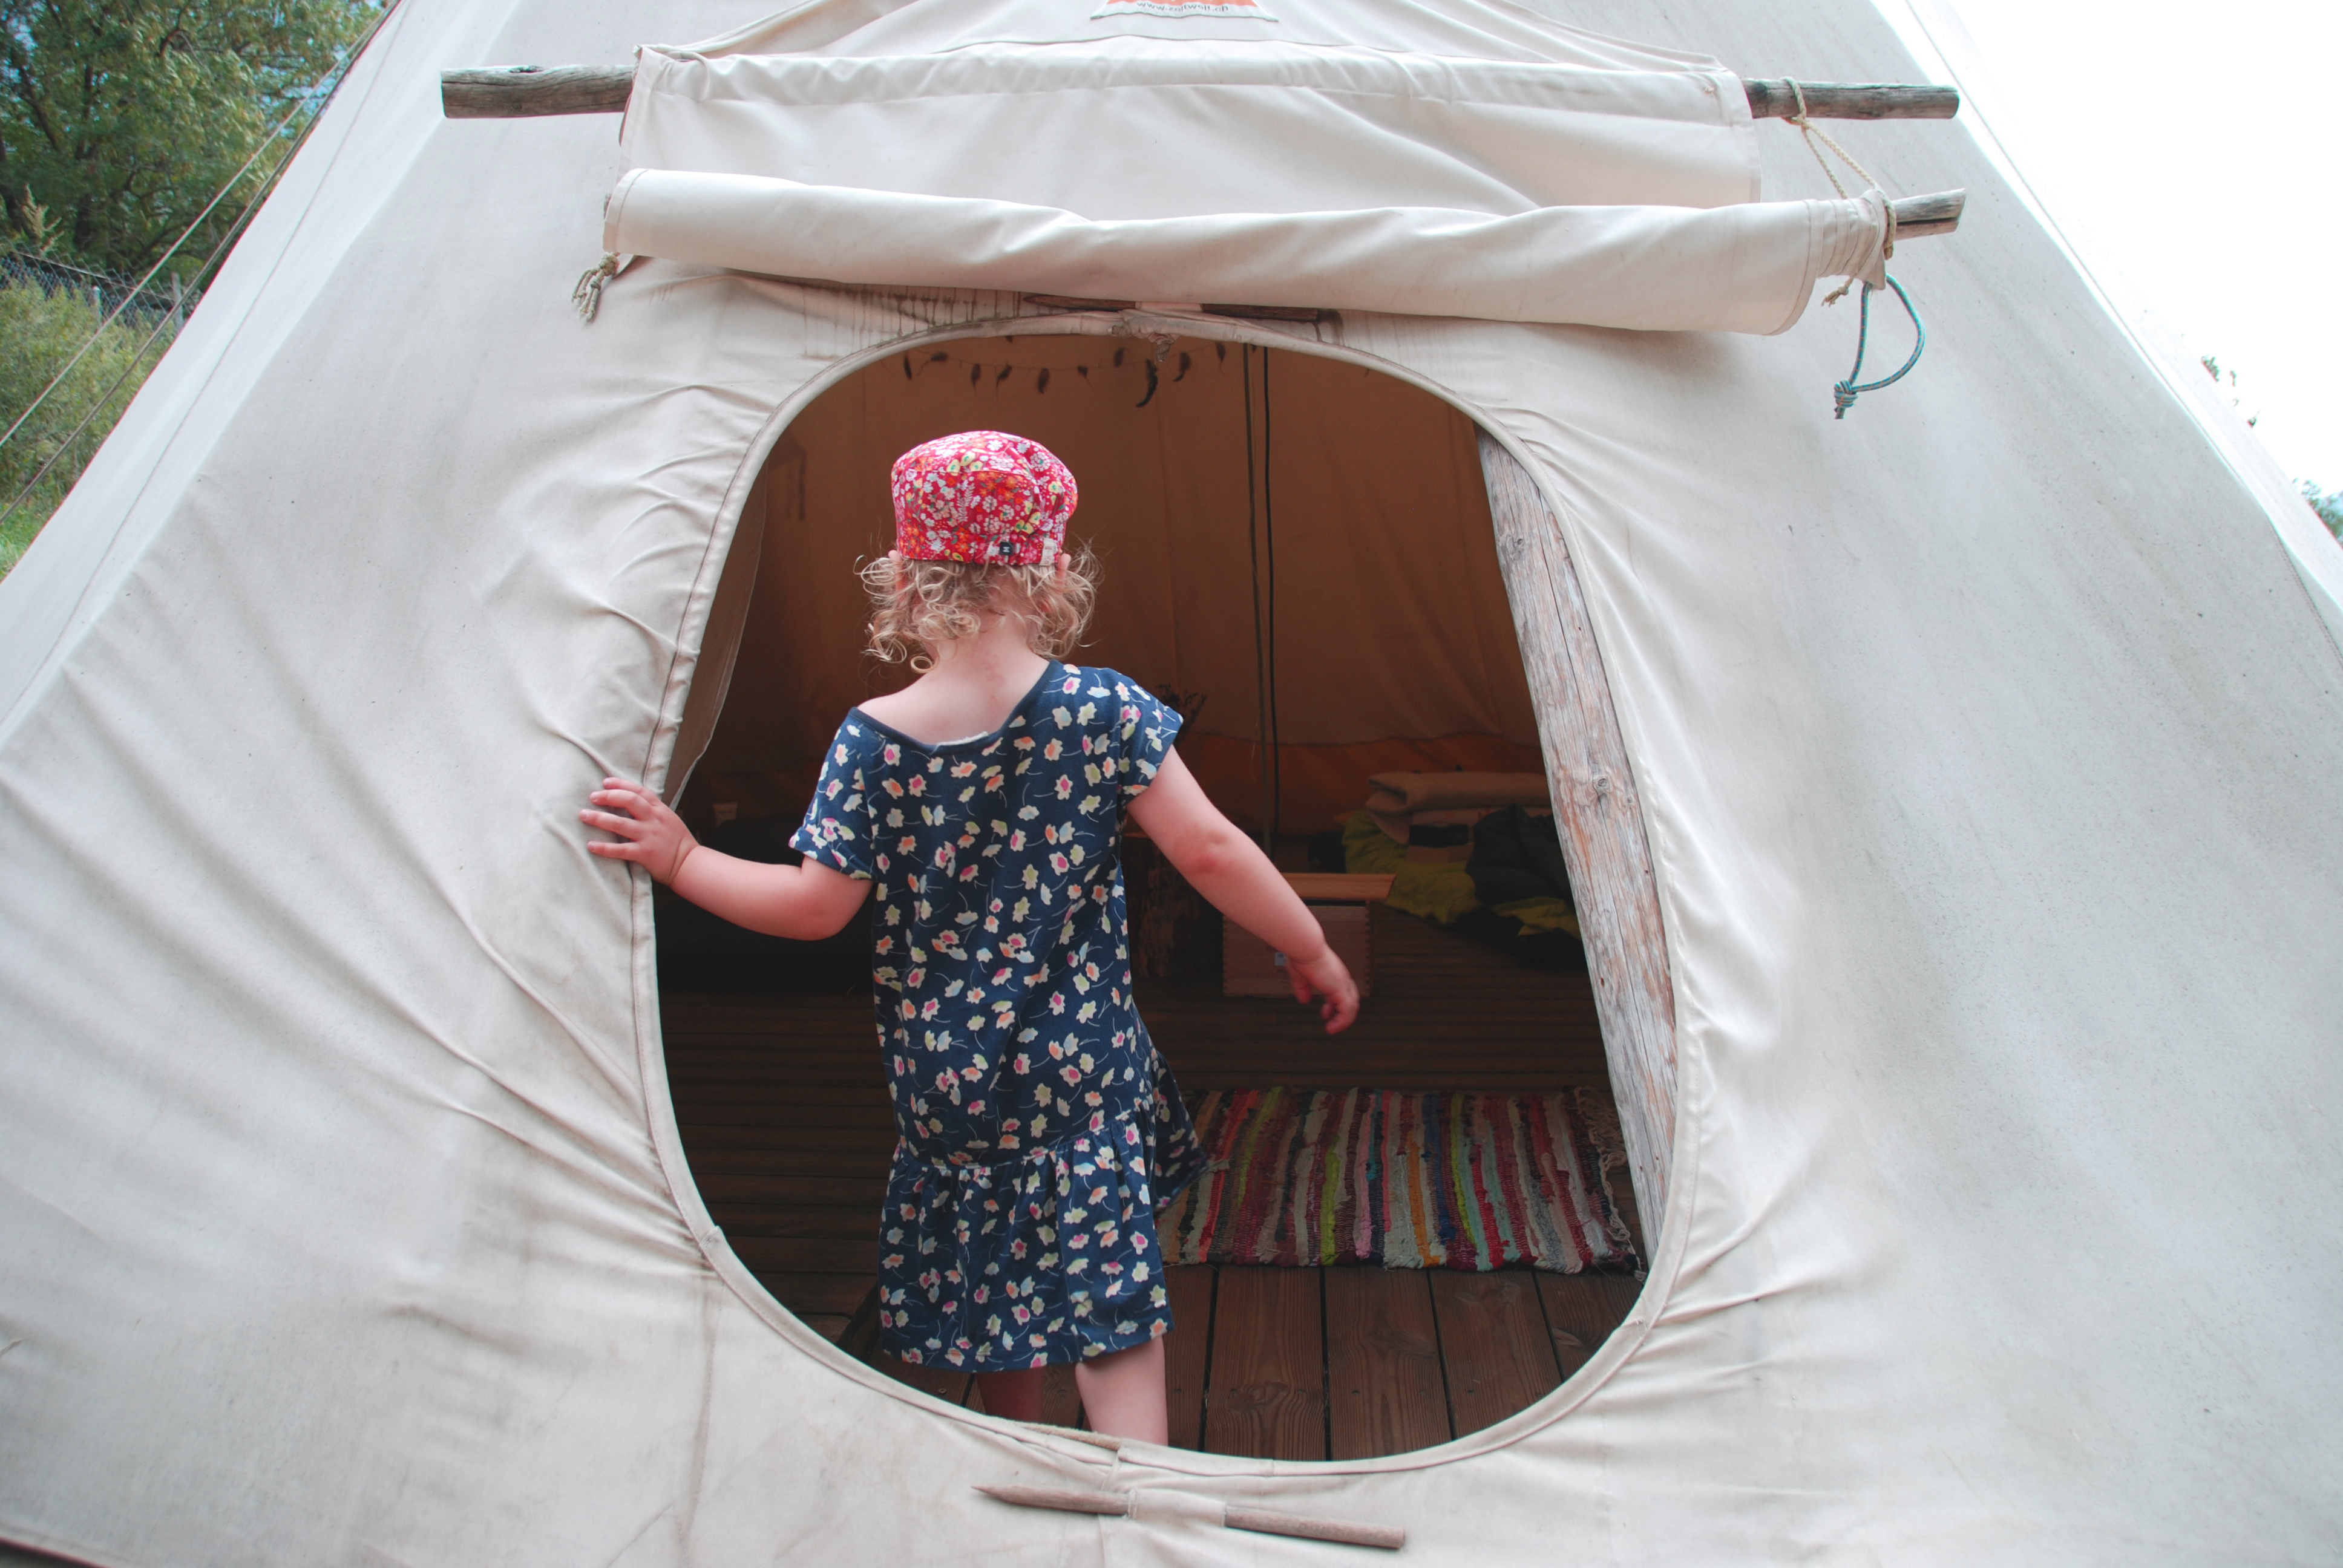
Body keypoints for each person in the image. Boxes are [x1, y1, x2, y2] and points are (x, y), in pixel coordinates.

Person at [581, 430, 1358, 1443]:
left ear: (905, 580)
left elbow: (817, 909)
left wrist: (683, 861)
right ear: (1049, 577)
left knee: (999, 1296)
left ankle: (1023, 1470)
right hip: (1081, 1068)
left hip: (948, 1084)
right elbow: (1209, 850)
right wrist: (1308, 946)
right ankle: (1147, 1504)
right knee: (1111, 1308)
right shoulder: (1103, 711)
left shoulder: (873, 739)